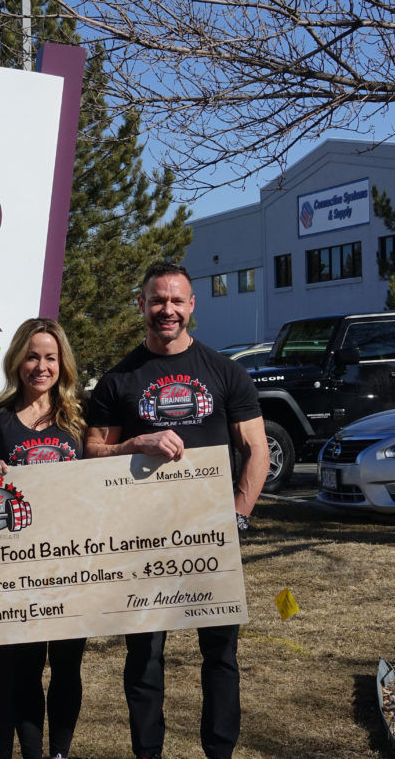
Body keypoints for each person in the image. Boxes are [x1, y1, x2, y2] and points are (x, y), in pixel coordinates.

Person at [85, 261, 269, 759]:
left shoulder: (225, 371)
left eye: (176, 300)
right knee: (144, 655)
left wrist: (238, 516)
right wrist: (135, 444)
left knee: (221, 654)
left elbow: (257, 449)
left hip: (212, 532)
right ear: (141, 305)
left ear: (192, 306)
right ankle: (148, 753)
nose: (167, 309)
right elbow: (91, 455)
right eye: (157, 300)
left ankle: (220, 751)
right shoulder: (116, 381)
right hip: (141, 537)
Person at [0, 318, 87, 759]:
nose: (41, 366)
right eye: (33, 356)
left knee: (67, 666)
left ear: (63, 364)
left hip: (74, 559)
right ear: (18, 360)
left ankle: (60, 753)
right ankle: (34, 753)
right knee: (27, 667)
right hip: (16, 563)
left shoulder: (79, 414)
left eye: (51, 358)